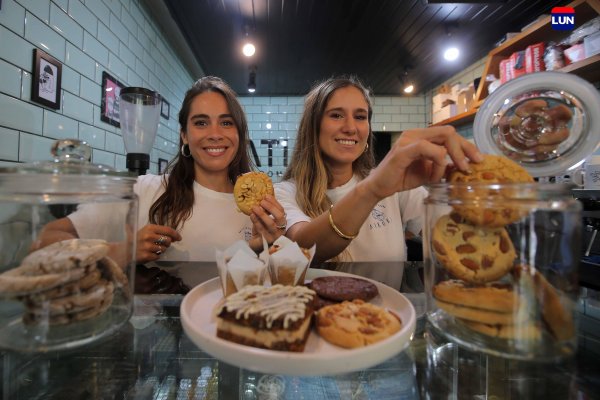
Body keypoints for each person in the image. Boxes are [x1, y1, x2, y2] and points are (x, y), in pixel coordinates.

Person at [36, 76, 287, 264]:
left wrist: (266, 247)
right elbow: (46, 241)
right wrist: (123, 251)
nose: (214, 134)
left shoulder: (262, 209)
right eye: (201, 123)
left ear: (239, 134)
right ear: (184, 136)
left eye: (226, 122)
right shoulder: (146, 190)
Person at [275, 76, 482, 264]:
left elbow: (456, 241)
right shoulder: (285, 192)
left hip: (389, 306)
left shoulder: (397, 187)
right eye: (336, 115)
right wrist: (373, 189)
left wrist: (449, 188)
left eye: (360, 117)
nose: (350, 127)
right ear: (313, 128)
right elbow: (304, 245)